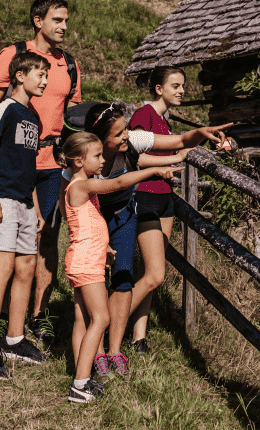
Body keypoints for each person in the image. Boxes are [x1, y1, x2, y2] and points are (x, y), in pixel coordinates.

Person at [83, 102, 232, 377]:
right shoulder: (88, 155)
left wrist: (201, 131)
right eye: (118, 134)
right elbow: (89, 194)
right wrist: (98, 237)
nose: (126, 135)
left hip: (125, 215)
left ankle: (115, 351)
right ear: (101, 140)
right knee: (96, 280)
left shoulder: (132, 140)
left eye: (126, 129)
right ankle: (97, 349)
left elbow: (178, 140)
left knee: (124, 277)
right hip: (95, 218)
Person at [0, 0, 81, 343]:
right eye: (57, 20)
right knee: (13, 244)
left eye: (66, 20)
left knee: (48, 237)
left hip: (52, 164)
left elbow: (73, 117)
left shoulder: (69, 65)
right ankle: (3, 318)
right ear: (38, 21)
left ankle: (38, 315)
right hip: (16, 161)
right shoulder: (13, 55)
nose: (64, 27)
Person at [59, 132, 174, 403]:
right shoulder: (79, 186)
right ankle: (79, 384)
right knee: (101, 319)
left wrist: (105, 248)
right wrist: (152, 170)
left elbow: (87, 224)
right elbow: (120, 182)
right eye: (97, 156)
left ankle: (81, 377)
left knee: (83, 320)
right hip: (86, 262)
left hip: (86, 258)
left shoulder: (82, 185)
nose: (102, 161)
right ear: (78, 161)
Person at [0, 50, 51, 380]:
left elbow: (26, 165)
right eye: (39, 75)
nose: (45, 81)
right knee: (2, 265)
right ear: (20, 76)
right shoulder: (7, 109)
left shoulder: (34, 119)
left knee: (27, 265)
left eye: (46, 75)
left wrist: (37, 207)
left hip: (26, 204)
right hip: (2, 199)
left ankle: (14, 339)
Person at [125, 67, 188, 353]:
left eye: (183, 86)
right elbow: (136, 157)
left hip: (165, 199)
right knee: (155, 275)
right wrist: (169, 161)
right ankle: (109, 325)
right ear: (159, 89)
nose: (181, 90)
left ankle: (139, 337)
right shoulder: (144, 115)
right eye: (175, 85)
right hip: (146, 196)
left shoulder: (164, 120)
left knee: (146, 271)